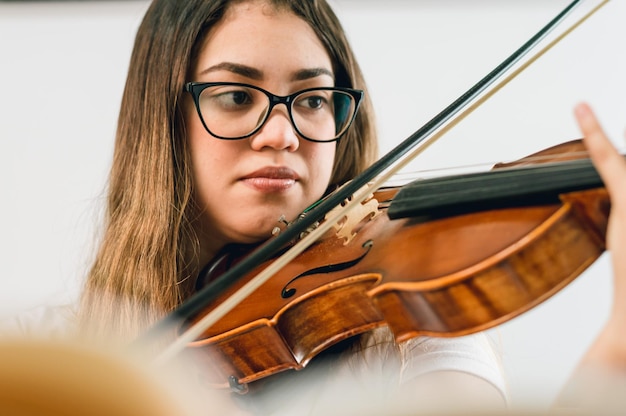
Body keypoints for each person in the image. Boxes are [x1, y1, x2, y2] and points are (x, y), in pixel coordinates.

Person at [4, 1, 625, 415]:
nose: (282, 133)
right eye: (235, 95)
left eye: (314, 99)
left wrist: (617, 351)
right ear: (162, 123)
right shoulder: (51, 352)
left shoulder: (417, 333)